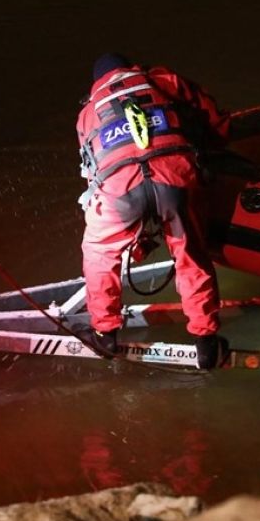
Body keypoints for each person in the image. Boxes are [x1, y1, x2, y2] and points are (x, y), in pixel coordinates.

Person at [76, 53, 229, 370]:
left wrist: (136, 240)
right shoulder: (162, 80)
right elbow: (214, 119)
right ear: (132, 69)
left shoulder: (87, 113)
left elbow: (93, 170)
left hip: (120, 191)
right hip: (173, 177)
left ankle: (104, 333)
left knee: (99, 252)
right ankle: (206, 342)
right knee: (190, 254)